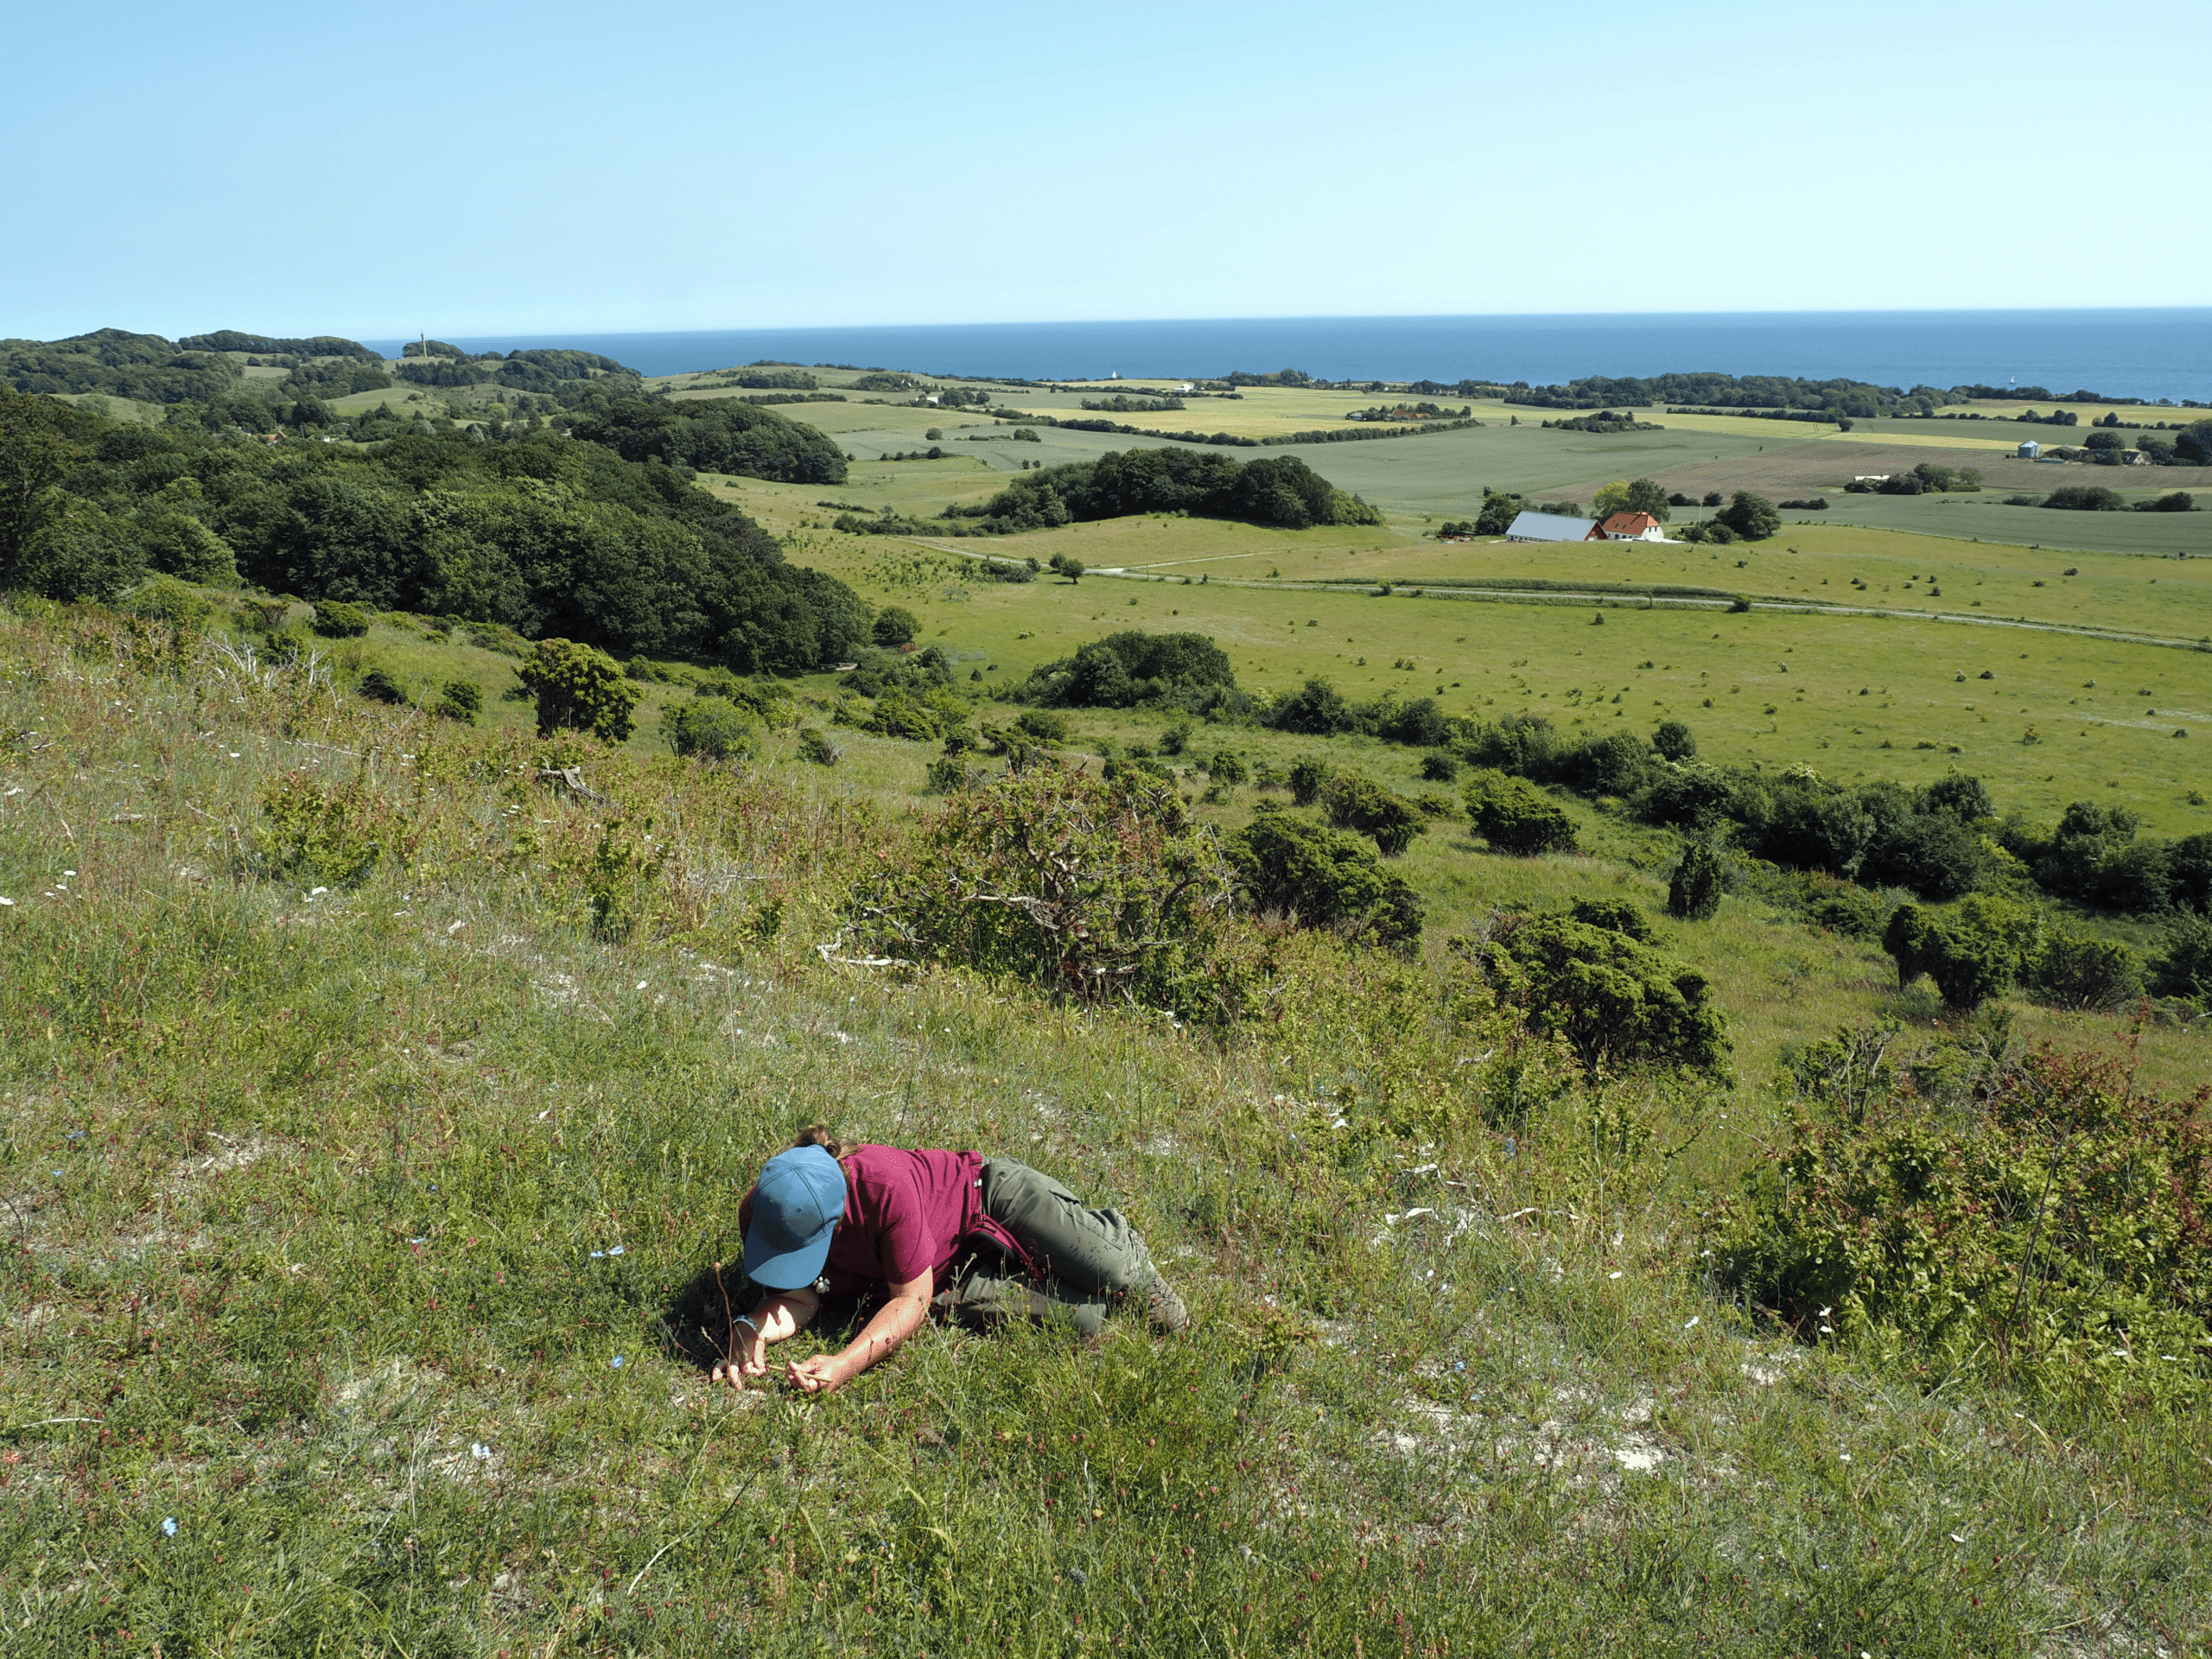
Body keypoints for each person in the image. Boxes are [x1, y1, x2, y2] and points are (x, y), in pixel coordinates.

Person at [710, 1127, 1187, 1394]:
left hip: (988, 1200)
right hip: (941, 1277)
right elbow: (802, 1293)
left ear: (835, 1221)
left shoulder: (883, 1186)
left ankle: (1126, 1245)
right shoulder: (766, 1207)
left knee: (1116, 1273)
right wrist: (752, 1326)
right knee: (1087, 1318)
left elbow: (909, 1303)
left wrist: (845, 1363)